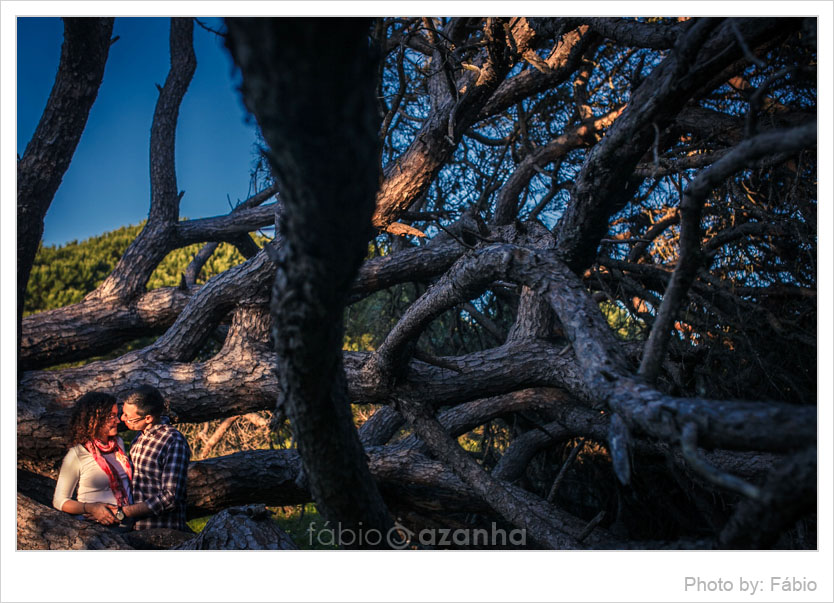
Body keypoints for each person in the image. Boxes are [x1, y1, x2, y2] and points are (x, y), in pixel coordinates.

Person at [52, 391, 133, 529]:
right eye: (111, 416)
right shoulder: (77, 454)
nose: (118, 420)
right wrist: (91, 508)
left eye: (117, 415)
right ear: (95, 419)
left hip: (129, 525)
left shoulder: (118, 444)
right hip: (97, 529)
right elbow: (59, 501)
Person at [117, 385, 191, 531]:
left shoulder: (172, 441)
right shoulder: (139, 437)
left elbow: (170, 498)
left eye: (128, 417)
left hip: (161, 529)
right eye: (123, 413)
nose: (122, 418)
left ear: (148, 418)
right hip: (135, 529)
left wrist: (125, 512)